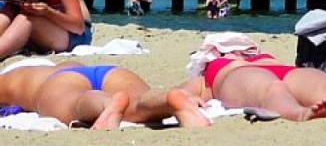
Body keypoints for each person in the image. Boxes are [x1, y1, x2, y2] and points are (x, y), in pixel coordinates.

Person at [181, 32, 326, 123]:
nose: (237, 51)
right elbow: (186, 91)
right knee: (271, 89)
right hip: (239, 77)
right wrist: (188, 97)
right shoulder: (213, 69)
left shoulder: (263, 57)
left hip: (285, 71)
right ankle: (300, 113)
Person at [0, 61, 209, 129]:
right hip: (107, 71)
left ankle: (106, 105)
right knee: (138, 100)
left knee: (78, 103)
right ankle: (167, 99)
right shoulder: (30, 69)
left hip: (62, 81)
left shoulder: (11, 78)